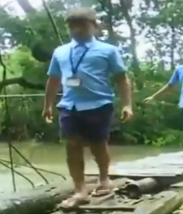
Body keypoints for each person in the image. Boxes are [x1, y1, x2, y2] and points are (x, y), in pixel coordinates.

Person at [42, 7, 133, 208]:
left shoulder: (108, 50)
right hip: (69, 105)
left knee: (98, 145)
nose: (77, 30)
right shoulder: (61, 52)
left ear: (94, 26)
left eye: (82, 25)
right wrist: (47, 105)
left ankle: (103, 179)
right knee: (71, 146)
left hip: (99, 104)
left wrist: (127, 105)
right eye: (72, 26)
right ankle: (80, 190)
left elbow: (121, 79)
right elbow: (54, 80)